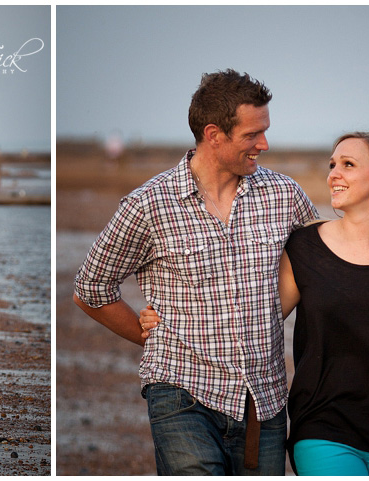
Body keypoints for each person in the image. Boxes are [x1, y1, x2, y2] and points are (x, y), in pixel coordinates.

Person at [142, 130, 369, 476]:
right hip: (324, 427)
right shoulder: (305, 247)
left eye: (348, 165)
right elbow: (256, 316)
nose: (333, 173)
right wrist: (172, 315)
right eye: (332, 164)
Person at [73, 69, 318, 475]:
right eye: (252, 135)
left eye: (265, 131)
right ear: (214, 134)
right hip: (181, 390)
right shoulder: (148, 205)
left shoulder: (284, 194)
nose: (265, 144)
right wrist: (144, 333)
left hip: (265, 401)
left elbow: (331, 263)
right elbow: (90, 288)